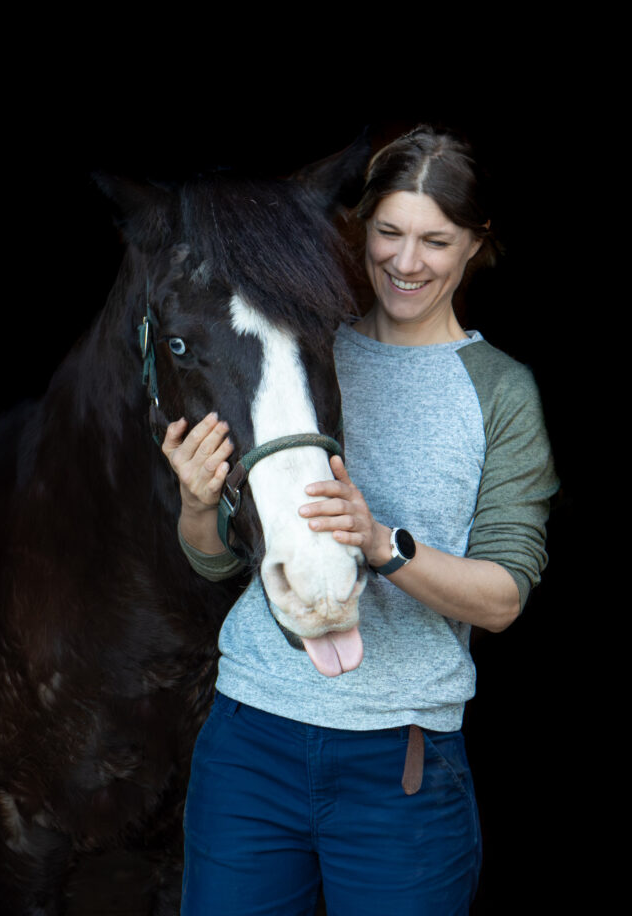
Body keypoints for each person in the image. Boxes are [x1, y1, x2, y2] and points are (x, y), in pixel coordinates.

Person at [162, 125, 558, 915]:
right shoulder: (296, 346)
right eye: (387, 233)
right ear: (360, 227)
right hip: (251, 743)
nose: (405, 263)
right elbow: (215, 565)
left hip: (401, 770)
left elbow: (502, 597)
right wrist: (199, 506)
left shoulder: (499, 393)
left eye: (434, 241)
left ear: (475, 244)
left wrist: (382, 545)